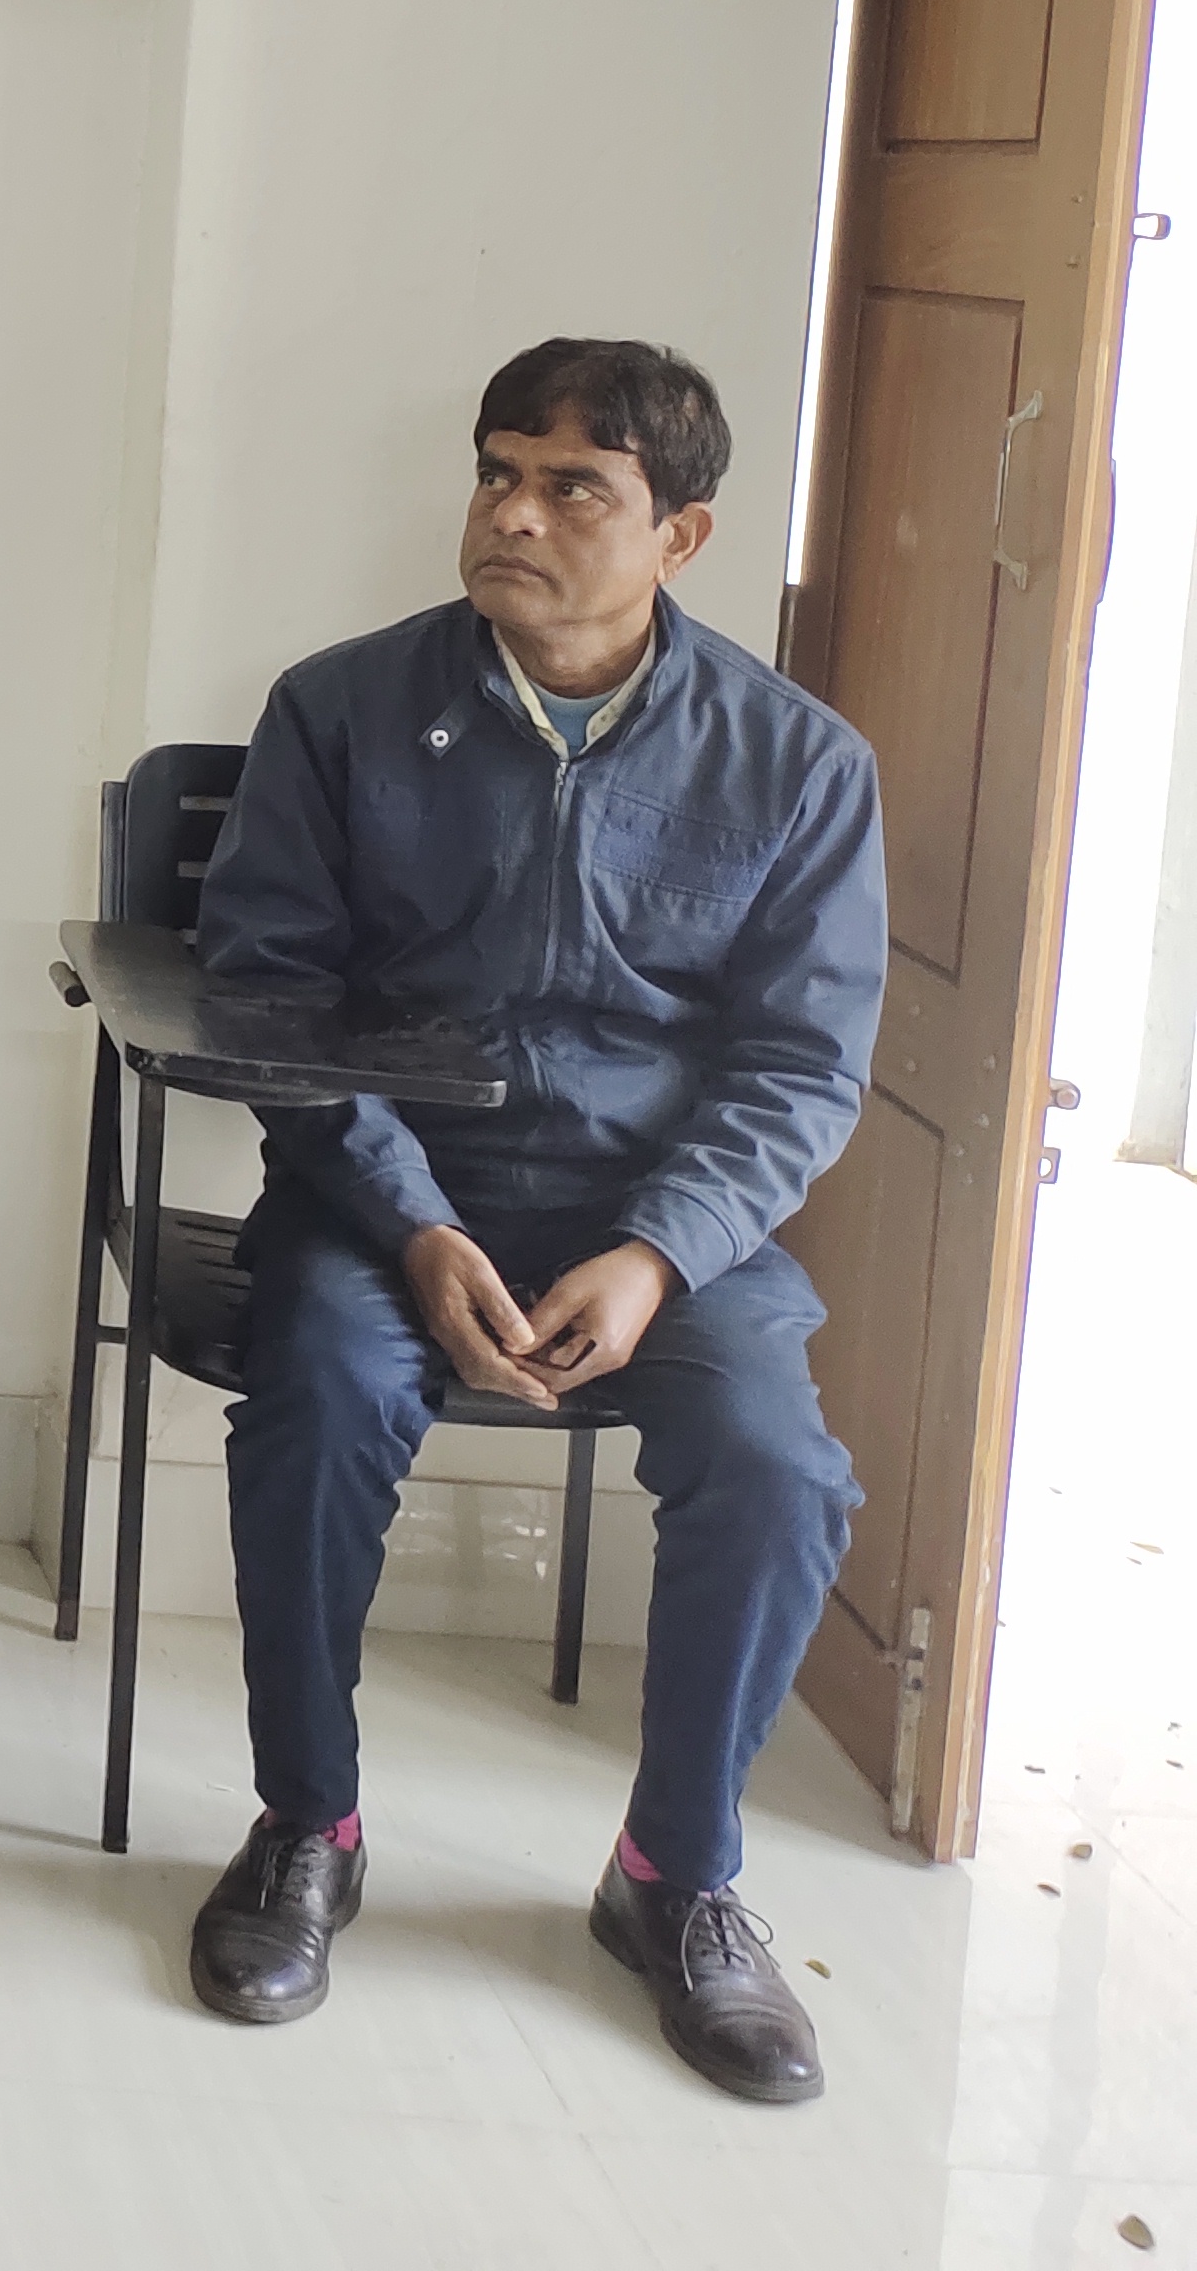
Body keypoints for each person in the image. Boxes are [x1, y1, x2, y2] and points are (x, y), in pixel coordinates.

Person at [183, 338, 883, 2105]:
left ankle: (673, 1878)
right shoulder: (342, 709)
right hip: (382, 1201)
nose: (512, 513)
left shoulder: (795, 763)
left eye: (575, 488)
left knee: (777, 1467)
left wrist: (656, 1253)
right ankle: (307, 1825)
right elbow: (269, 1001)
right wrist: (414, 1226)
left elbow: (802, 1067)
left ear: (680, 534)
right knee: (318, 1397)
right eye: (498, 470)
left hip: (660, 1230)